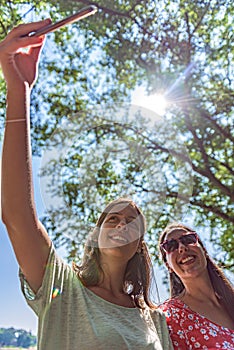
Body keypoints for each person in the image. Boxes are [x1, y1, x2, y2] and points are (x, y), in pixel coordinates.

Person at [0, 21, 173, 350]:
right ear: (96, 235)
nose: (121, 224)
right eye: (112, 219)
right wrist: (18, 89)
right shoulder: (61, 288)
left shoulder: (156, 320)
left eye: (130, 221)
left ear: (140, 245)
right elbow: (17, 215)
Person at [158, 222, 234, 349]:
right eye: (171, 246)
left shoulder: (230, 301)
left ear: (203, 250)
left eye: (188, 239)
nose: (182, 247)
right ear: (168, 266)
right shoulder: (169, 317)